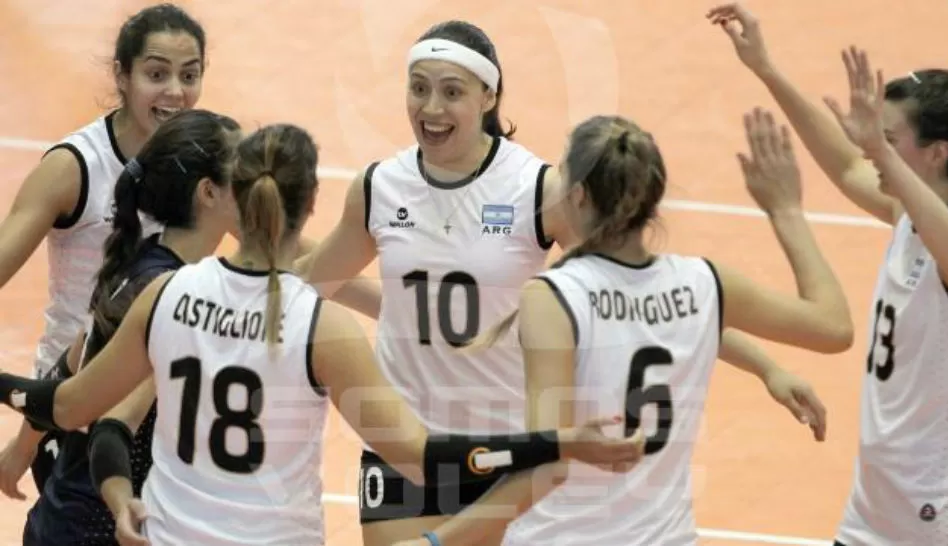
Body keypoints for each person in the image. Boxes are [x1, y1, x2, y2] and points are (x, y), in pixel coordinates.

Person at [300, 19, 824, 545]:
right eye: (419, 88)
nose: (430, 109)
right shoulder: (379, 188)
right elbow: (311, 286)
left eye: (451, 92)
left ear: (488, 96)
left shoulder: (537, 190)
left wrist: (766, 367)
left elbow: (632, 295)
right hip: (404, 441)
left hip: (506, 445)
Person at [0, 121, 647, 546]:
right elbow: (422, 459)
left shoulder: (170, 296)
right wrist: (554, 443)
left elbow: (78, 412)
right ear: (311, 206)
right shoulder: (320, 327)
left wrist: (118, 497)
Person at [398, 113, 849, 546]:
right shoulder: (703, 283)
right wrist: (786, 210)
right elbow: (832, 327)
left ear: (576, 195)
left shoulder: (556, 297)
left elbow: (545, 465)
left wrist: (436, 541)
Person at [710, 4, 948, 544]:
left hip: (940, 515)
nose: (871, 144)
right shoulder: (909, 211)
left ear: (937, 153)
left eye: (889, 138)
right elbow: (850, 166)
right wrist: (766, 68)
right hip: (875, 504)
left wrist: (875, 150)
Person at [0, 3, 208, 499]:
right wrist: (26, 441)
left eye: (189, 74)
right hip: (74, 410)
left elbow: (289, 253)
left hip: (164, 409)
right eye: (157, 74)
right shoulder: (74, 167)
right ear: (122, 74)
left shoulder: (205, 158)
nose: (176, 92)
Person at [18, 108, 241, 546]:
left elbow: (76, 360)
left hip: (68, 513)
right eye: (246, 167)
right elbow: (91, 408)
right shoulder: (172, 293)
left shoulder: (140, 260)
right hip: (106, 526)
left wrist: (23, 443)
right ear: (209, 192)